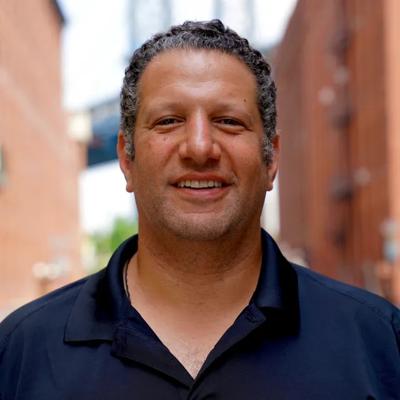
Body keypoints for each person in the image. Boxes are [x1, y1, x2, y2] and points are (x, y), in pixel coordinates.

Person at [0, 20, 399, 399]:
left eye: (229, 121)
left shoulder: (380, 344)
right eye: (169, 121)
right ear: (126, 157)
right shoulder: (20, 354)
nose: (199, 147)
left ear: (271, 158)